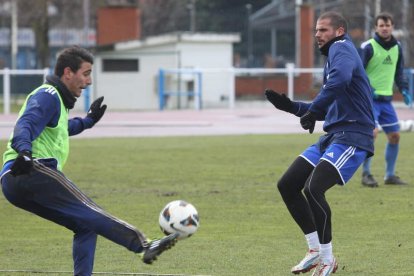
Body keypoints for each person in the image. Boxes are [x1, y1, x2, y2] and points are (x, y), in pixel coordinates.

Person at [0, 46, 178, 276]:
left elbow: (62, 129)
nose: (89, 81)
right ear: (68, 72)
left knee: (85, 225)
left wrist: (88, 121)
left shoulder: (57, 102)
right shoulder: (48, 95)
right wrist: (24, 151)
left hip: (14, 182)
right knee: (88, 210)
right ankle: (143, 246)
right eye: (86, 73)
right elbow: (25, 124)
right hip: (30, 168)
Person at [265, 12, 375, 275]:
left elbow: (339, 82)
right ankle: (314, 250)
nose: (317, 34)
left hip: (354, 135)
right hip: (333, 136)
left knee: (313, 188)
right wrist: (293, 107)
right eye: (316, 30)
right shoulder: (334, 58)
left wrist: (313, 111)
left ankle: (328, 259)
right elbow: (330, 107)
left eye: (323, 30)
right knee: (288, 184)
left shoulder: (342, 48)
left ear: (339, 31)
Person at [359, 12, 412, 187]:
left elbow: (399, 72)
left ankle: (389, 176)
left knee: (395, 136)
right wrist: (369, 89)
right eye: (381, 25)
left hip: (386, 101)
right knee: (371, 134)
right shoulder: (368, 47)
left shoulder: (397, 47)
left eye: (387, 25)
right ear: (376, 27)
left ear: (392, 27)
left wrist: (404, 90)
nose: (384, 28)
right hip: (369, 100)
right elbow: (356, 73)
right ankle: (366, 174)